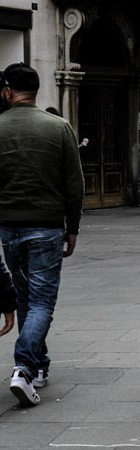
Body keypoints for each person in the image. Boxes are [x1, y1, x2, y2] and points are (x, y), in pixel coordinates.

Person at [0, 63, 84, 407]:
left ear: (8, 91)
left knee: (25, 297)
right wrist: (73, 227)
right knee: (42, 301)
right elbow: (74, 184)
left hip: (9, 228)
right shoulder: (59, 127)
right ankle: (24, 366)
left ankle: (38, 365)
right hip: (47, 226)